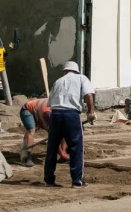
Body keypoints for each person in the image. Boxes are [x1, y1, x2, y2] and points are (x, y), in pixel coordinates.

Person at [44, 61, 97, 189]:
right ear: (77, 71)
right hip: (71, 115)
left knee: (52, 148)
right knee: (76, 148)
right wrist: (90, 112)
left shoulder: (58, 81)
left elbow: (50, 103)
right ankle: (77, 181)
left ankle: (49, 180)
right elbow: (89, 95)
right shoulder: (81, 78)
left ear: (64, 71)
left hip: (55, 115)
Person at [19, 98, 69, 167]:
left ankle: (63, 154)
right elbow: (53, 137)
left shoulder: (65, 110)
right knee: (31, 130)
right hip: (28, 109)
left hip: (40, 111)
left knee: (64, 130)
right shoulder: (49, 114)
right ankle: (27, 156)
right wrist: (62, 154)